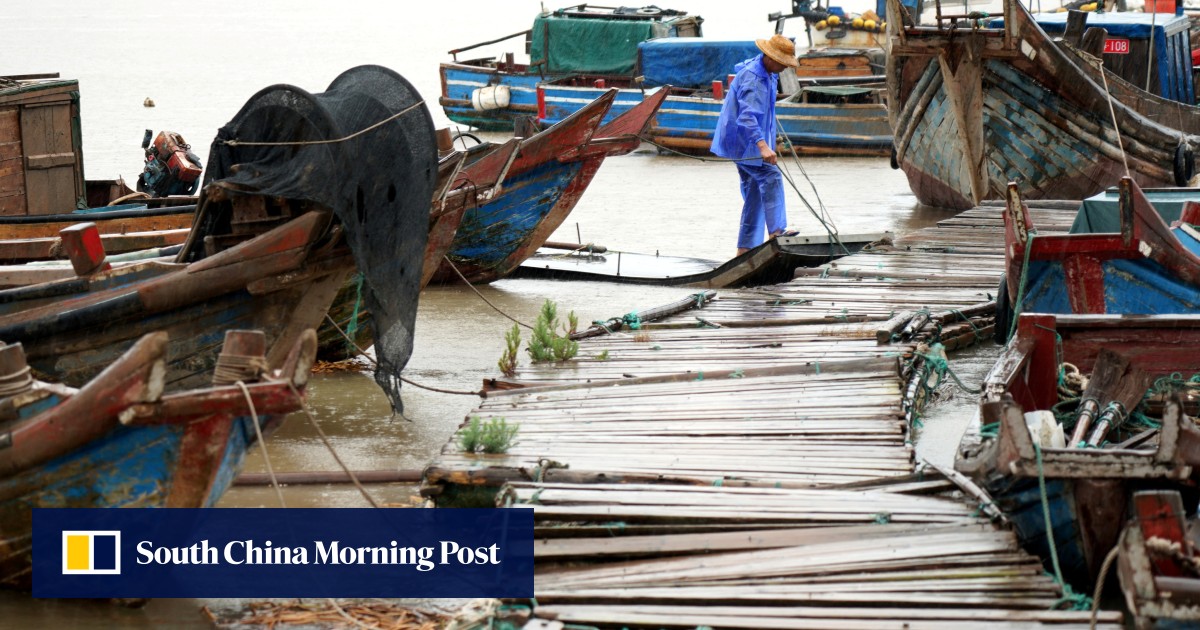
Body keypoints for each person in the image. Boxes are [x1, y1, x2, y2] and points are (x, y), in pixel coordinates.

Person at [711, 33, 799, 255]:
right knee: (771, 177)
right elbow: (748, 117)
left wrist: (770, 140)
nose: (785, 68)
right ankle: (777, 231)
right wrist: (762, 146)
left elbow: (765, 110)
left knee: (755, 195)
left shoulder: (768, 72)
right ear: (771, 58)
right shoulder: (754, 78)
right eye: (783, 63)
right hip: (744, 142)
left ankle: (744, 251)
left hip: (749, 140)